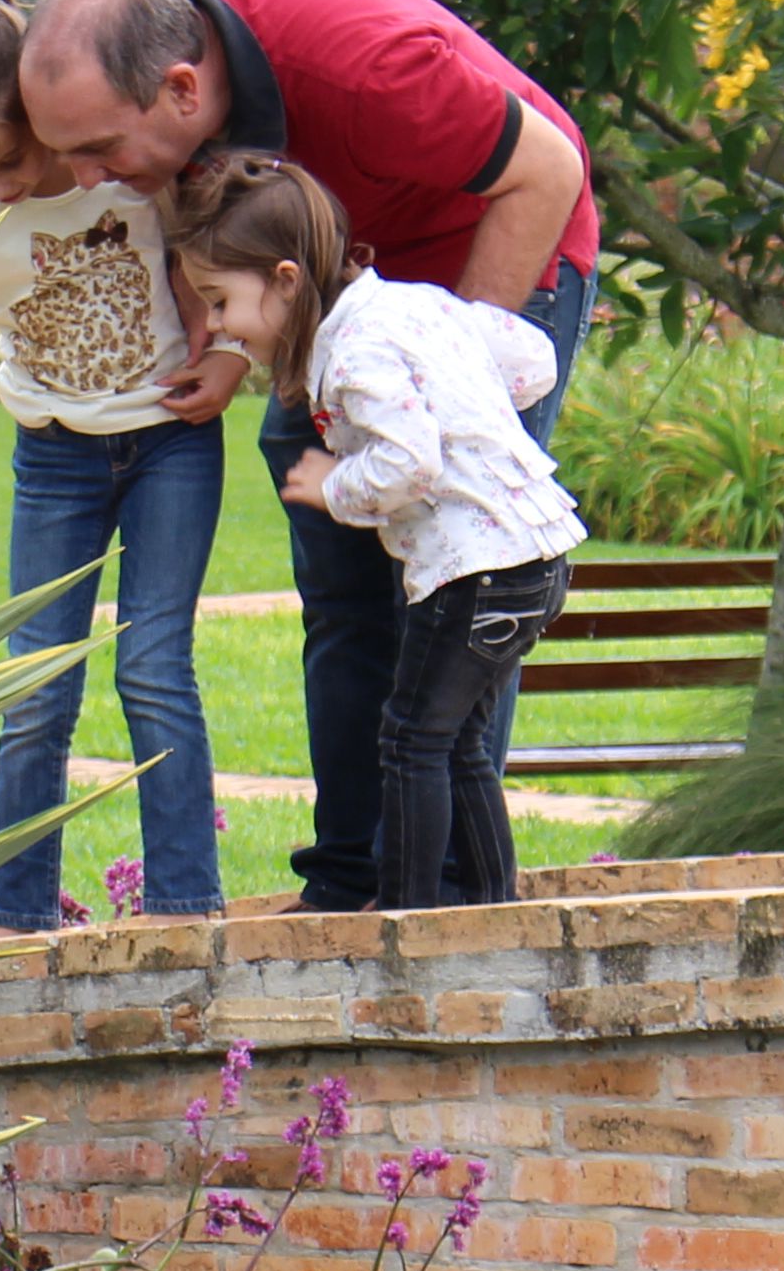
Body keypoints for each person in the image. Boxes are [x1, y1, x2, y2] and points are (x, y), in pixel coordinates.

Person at [15, 0, 600, 911]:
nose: (86, 178)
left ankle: (451, 902)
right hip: (325, 285)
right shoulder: (135, 6)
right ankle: (350, 879)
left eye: (100, 150)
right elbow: (194, 205)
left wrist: (443, 385)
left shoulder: (369, 70)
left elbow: (546, 170)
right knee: (344, 588)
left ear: (183, 90)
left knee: (456, 577)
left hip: (483, 259)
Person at [0, 0, 220, 932]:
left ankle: (186, 917)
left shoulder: (118, 161)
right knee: (34, 689)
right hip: (54, 460)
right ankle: (17, 925)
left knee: (154, 670)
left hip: (168, 446)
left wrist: (229, 353)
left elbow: (221, 249)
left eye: (9, 164)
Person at [163, 150, 584, 914]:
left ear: (287, 280)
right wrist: (471, 392)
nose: (219, 325)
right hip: (536, 555)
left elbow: (409, 464)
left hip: (475, 569)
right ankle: (486, 906)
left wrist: (334, 487)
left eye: (221, 302)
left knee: (410, 740)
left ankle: (409, 921)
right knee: (455, 744)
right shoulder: (413, 306)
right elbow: (533, 362)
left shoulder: (357, 353)